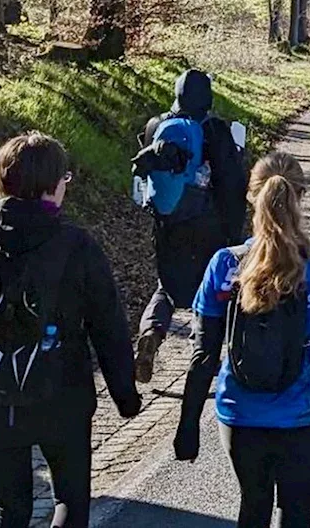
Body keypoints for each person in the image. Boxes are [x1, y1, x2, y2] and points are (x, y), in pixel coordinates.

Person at [175, 152, 310, 528]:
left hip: (241, 413)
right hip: (307, 416)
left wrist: (188, 425)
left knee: (253, 506)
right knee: (297, 515)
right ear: (300, 197)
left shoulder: (224, 265)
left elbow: (203, 355)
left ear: (252, 197)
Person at [0, 133, 140, 528]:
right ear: (52, 186)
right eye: (64, 177)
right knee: (69, 502)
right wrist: (125, 395)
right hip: (63, 397)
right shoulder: (76, 246)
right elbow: (109, 326)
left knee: (9, 510)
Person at [134, 69, 248, 383]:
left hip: (167, 222)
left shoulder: (156, 126)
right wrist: (233, 230)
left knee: (166, 286)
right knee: (208, 288)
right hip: (208, 224)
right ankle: (200, 352)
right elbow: (232, 184)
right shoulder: (215, 129)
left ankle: (151, 333)